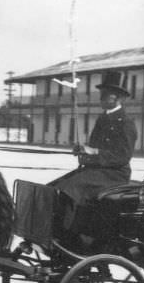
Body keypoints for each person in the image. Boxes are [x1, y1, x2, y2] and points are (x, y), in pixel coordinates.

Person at [49, 70, 137, 237]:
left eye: (106, 94)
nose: (101, 97)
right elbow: (94, 147)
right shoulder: (102, 119)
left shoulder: (126, 122)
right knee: (53, 187)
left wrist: (94, 151)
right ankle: (52, 231)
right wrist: (83, 150)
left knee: (70, 189)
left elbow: (122, 156)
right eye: (101, 93)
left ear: (117, 97)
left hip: (115, 174)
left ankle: (66, 236)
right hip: (97, 170)